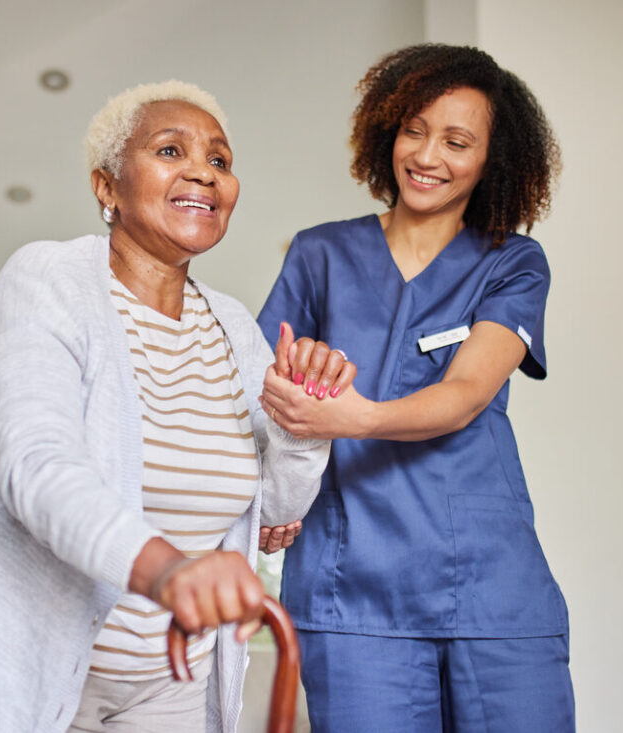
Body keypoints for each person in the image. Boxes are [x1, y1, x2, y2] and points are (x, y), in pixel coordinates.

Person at [0, 80, 329, 733]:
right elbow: (38, 469)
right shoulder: (47, 279)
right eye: (169, 150)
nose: (202, 173)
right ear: (107, 187)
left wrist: (302, 422)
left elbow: (271, 512)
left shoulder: (236, 328)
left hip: (169, 684)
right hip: (27, 659)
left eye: (219, 160)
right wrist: (169, 571)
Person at [257, 44, 575, 731]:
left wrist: (355, 416)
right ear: (387, 131)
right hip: (352, 594)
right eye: (414, 130)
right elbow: (262, 396)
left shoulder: (512, 263)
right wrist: (297, 383)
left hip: (493, 590)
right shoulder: (320, 255)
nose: (428, 155)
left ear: (494, 160)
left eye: (457, 141)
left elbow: (466, 392)